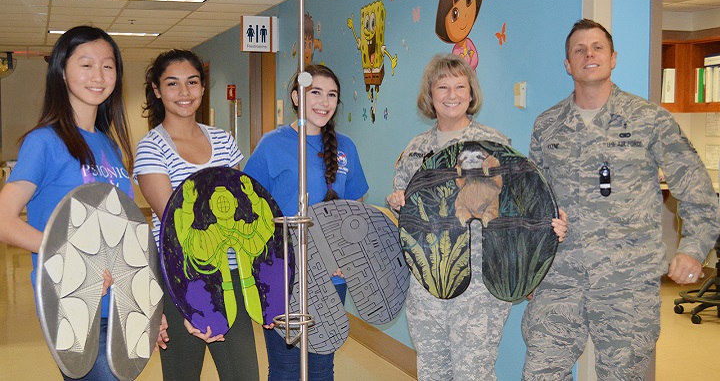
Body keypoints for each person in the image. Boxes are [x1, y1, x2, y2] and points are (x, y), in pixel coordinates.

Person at [521, 19, 720, 380]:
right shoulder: (546, 125)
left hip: (626, 282)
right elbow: (534, 203)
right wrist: (530, 271)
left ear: (613, 58)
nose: (588, 55)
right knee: (540, 373)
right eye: (578, 50)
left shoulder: (649, 120)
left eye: (597, 47)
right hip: (559, 277)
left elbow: (697, 189)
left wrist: (693, 248)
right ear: (568, 64)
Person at [386, 53, 567, 380]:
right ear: (430, 95)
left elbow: (521, 206)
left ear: (471, 94)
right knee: (431, 370)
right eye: (442, 87)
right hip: (427, 279)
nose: (451, 95)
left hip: (481, 281)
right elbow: (408, 213)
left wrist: (541, 241)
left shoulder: (494, 144)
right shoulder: (416, 149)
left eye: (459, 86)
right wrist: (398, 202)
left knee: (474, 373)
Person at [0, 25, 135, 380]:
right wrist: (73, 253)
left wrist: (144, 304)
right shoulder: (44, 142)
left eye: (108, 65)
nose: (99, 75)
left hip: (118, 304)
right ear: (62, 71)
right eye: (86, 64)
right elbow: (4, 220)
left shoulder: (110, 147)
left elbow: (121, 234)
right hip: (72, 298)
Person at [133, 49, 259, 381]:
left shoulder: (224, 141)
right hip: (181, 278)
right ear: (157, 90)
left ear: (203, 88)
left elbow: (241, 210)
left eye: (192, 82)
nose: (184, 93)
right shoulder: (152, 148)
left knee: (244, 374)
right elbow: (175, 223)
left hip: (229, 277)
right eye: (172, 84)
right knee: (182, 375)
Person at [243, 64, 369, 381]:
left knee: (321, 366)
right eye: (315, 93)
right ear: (297, 97)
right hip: (282, 274)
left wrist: (346, 257)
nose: (324, 102)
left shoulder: (347, 148)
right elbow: (247, 209)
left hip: (330, 274)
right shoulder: (272, 145)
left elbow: (355, 210)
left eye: (332, 95)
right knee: (286, 367)